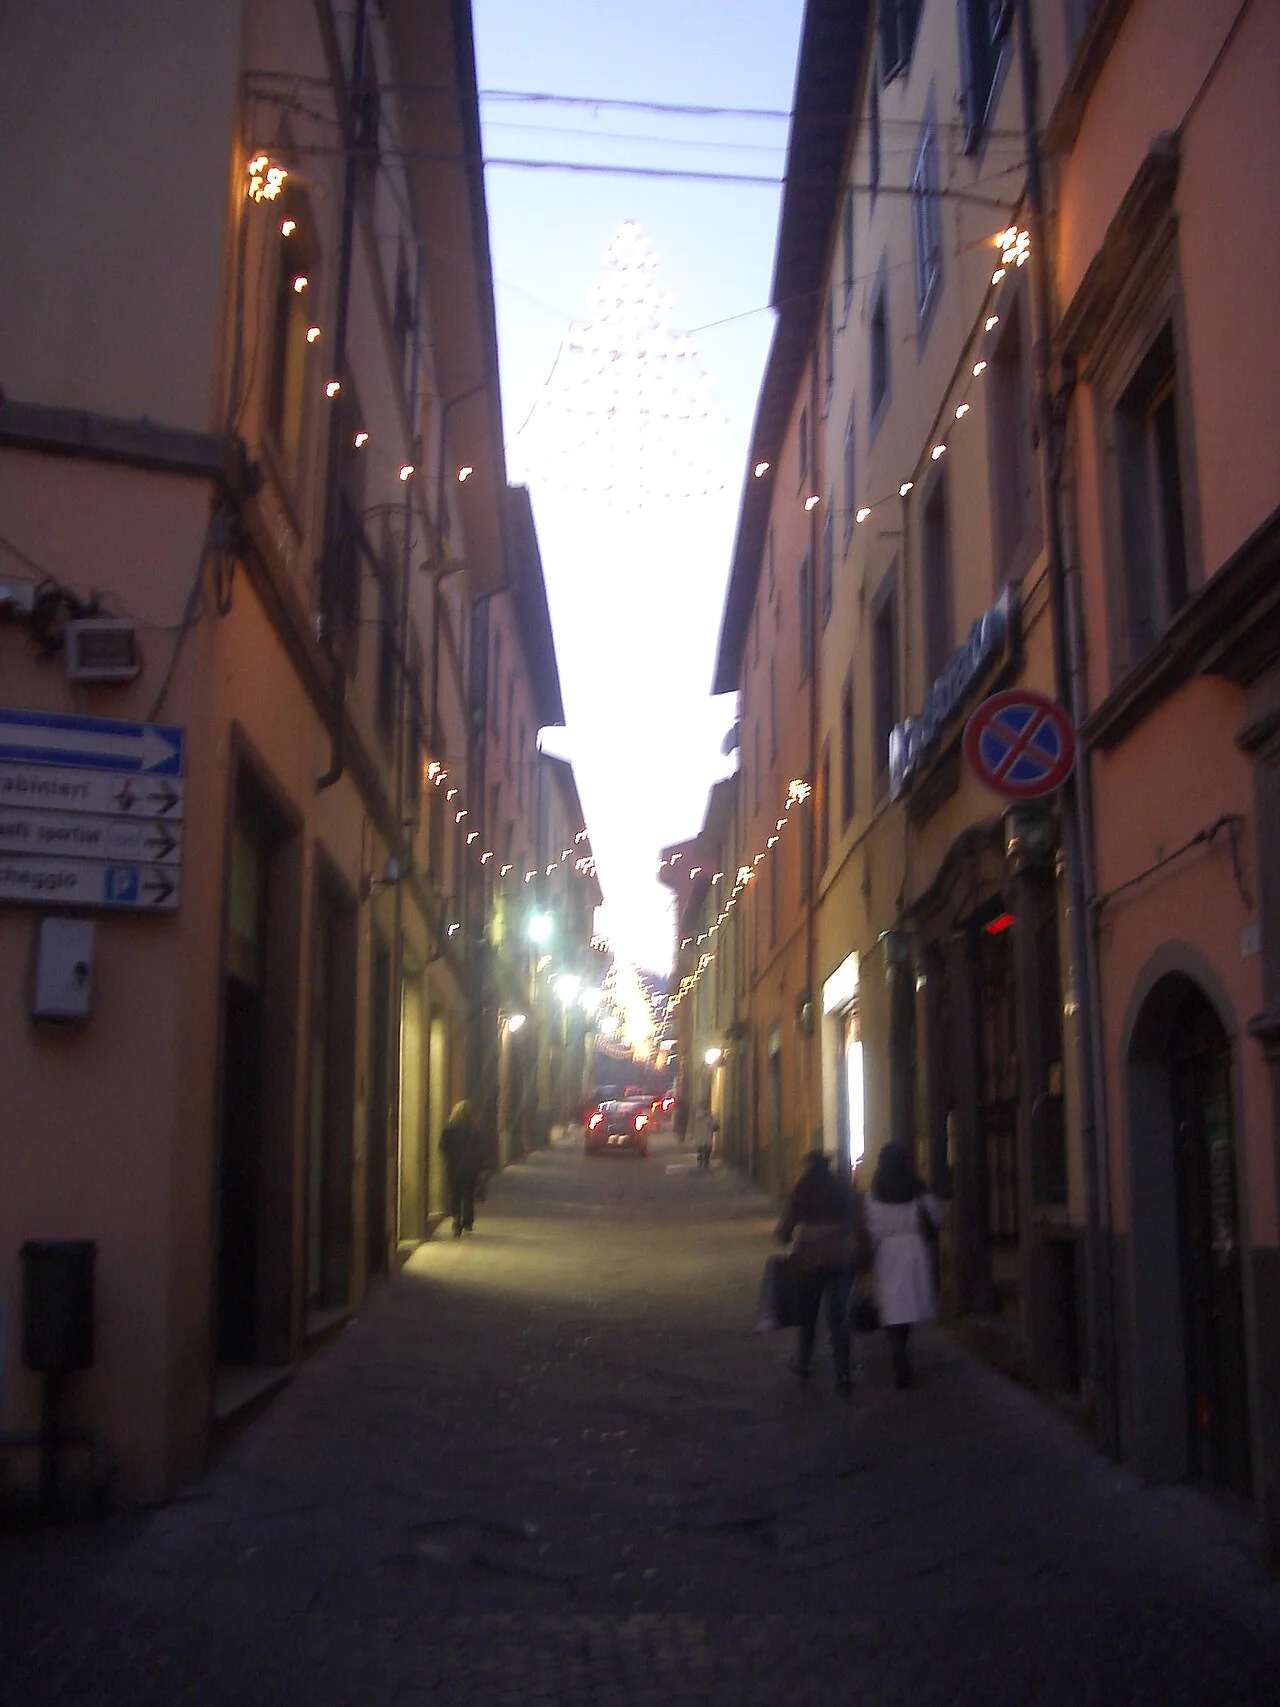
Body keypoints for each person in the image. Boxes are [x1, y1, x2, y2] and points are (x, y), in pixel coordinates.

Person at [775, 1150, 865, 1394]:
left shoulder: (803, 1188)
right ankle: (843, 1373)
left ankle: (804, 1362)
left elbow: (787, 1224)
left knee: (808, 1315)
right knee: (838, 1317)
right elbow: (857, 1218)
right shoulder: (841, 1187)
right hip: (839, 1257)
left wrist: (784, 1234)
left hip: (809, 1259)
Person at [865, 1139, 943, 1388]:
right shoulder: (917, 1190)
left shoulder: (875, 1194)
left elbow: (872, 1227)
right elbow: (936, 1217)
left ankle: (897, 1350)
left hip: (888, 1250)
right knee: (908, 1303)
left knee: (891, 1303)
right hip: (913, 1249)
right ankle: (902, 1347)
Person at [440, 1099, 482, 1237]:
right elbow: (479, 1149)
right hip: (470, 1167)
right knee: (468, 1194)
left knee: (455, 1194)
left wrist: (449, 1159)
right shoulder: (473, 1129)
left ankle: (456, 1220)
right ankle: (467, 1221)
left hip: (453, 1166)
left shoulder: (448, 1127)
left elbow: (442, 1146)